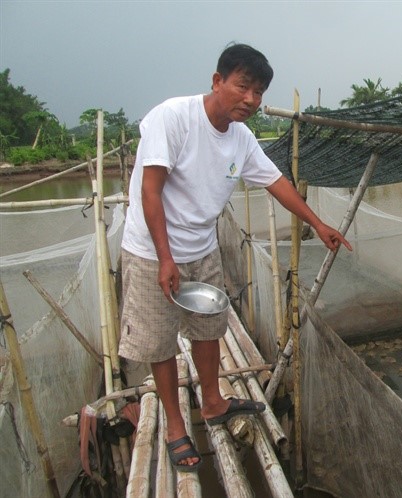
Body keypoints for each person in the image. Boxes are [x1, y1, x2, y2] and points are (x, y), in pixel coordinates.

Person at [119, 43, 351, 472]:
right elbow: (150, 192)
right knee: (159, 340)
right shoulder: (173, 118)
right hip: (153, 249)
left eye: (259, 92)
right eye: (243, 87)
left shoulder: (241, 139)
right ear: (217, 81)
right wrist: (166, 259)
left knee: (209, 327)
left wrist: (317, 224)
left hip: (201, 246)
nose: (251, 100)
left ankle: (211, 401)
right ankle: (174, 425)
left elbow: (276, 181)